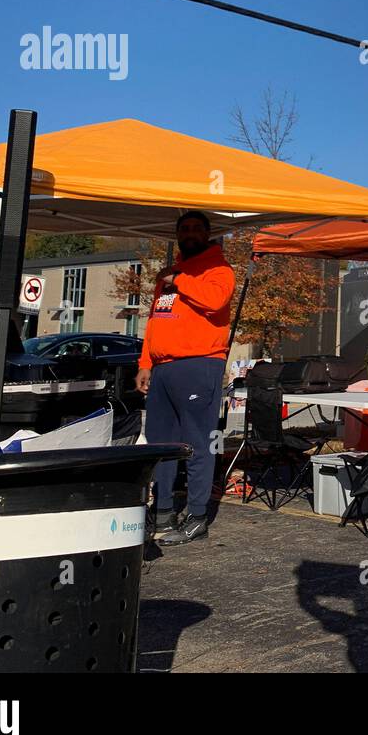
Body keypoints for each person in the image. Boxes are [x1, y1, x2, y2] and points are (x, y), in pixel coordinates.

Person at [136, 210, 236, 545]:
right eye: (184, 228)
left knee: (196, 443)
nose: (189, 233)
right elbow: (155, 320)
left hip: (199, 365)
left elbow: (215, 300)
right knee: (161, 444)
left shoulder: (218, 269)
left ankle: (196, 516)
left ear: (207, 234)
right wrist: (145, 361)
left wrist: (179, 281)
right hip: (162, 369)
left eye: (196, 228)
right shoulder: (168, 272)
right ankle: (162, 510)